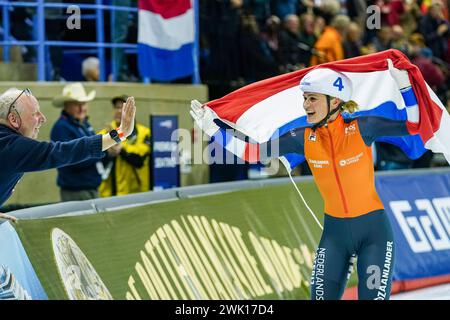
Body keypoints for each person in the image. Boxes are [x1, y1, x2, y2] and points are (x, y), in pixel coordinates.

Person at [191, 62, 419, 300]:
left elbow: (414, 126)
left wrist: (405, 86)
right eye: (305, 98)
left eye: (312, 99)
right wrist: (212, 129)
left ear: (335, 101)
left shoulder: (363, 127)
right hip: (335, 235)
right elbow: (252, 153)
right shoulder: (302, 138)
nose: (305, 105)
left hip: (374, 234)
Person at [0, 88, 136, 221]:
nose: (43, 118)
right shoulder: (11, 146)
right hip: (75, 190)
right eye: (35, 113)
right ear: (13, 119)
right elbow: (62, 152)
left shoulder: (8, 142)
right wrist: (119, 134)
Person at [50, 83, 101, 201]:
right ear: (67, 105)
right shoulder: (61, 128)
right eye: (77, 104)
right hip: (76, 191)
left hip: (89, 187)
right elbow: (74, 159)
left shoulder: (84, 124)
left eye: (84, 103)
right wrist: (104, 151)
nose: (82, 108)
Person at [98, 95, 151, 197]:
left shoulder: (144, 132)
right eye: (117, 107)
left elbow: (140, 159)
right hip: (109, 193)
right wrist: (107, 153)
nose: (119, 111)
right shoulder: (105, 133)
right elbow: (95, 161)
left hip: (137, 193)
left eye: (123, 108)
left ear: (132, 112)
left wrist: (121, 148)